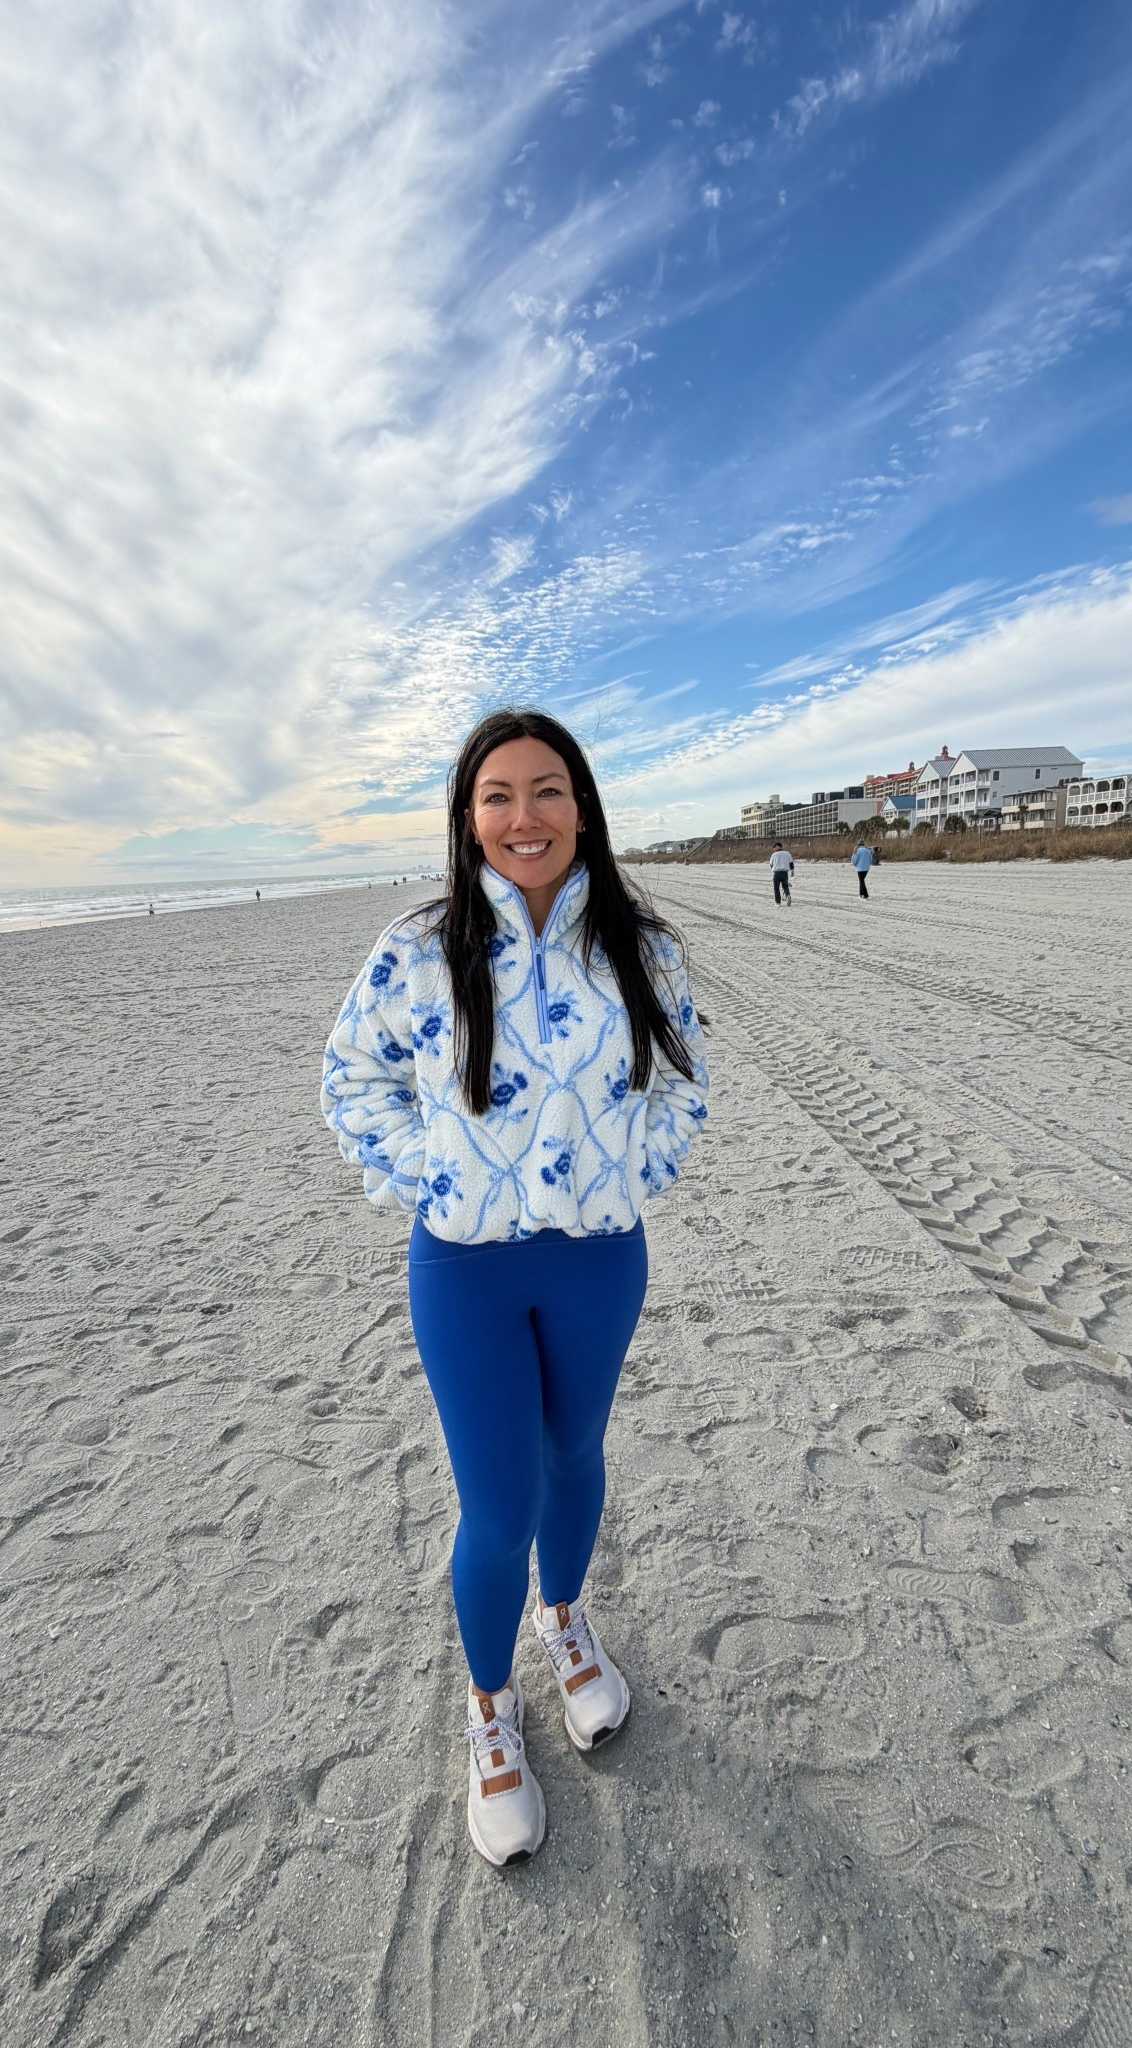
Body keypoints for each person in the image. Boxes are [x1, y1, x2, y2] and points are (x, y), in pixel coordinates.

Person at [322, 707, 708, 1869]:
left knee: (574, 1456)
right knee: (496, 1506)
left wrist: (629, 1174)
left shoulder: (639, 944)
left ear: (581, 805)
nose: (522, 815)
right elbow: (353, 1079)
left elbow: (684, 1085)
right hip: (466, 1267)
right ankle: (491, 1710)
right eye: (497, 794)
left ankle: (566, 1620)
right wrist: (432, 1176)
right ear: (468, 815)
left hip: (598, 1256)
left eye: (546, 790)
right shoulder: (419, 946)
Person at [769, 840, 794, 907]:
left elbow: (771, 864)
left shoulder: (774, 854)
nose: (773, 849)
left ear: (777, 847)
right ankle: (787, 895)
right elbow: (791, 863)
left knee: (776, 888)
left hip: (777, 873)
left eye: (774, 847)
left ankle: (778, 902)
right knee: (785, 886)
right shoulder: (787, 853)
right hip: (785, 872)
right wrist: (792, 871)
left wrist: (773, 870)